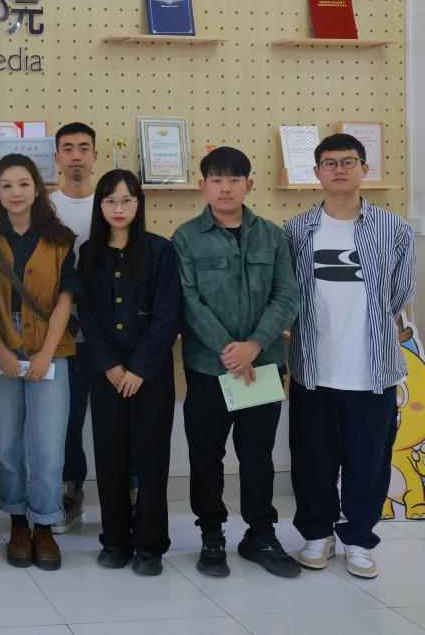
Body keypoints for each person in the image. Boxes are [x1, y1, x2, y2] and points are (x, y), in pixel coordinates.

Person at [285, 133, 416, 580]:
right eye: (329, 163)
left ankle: (359, 539)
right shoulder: (297, 230)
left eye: (348, 161)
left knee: (369, 462)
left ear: (364, 168)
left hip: (372, 370)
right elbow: (288, 294)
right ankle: (316, 534)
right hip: (313, 368)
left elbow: (400, 292)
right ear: (316, 172)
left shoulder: (394, 229)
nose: (339, 169)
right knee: (312, 459)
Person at [171, 146, 301, 579]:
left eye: (234, 179)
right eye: (216, 179)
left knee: (257, 453)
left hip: (263, 366)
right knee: (206, 454)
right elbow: (187, 300)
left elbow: (288, 296)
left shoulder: (273, 237)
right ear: (202, 185)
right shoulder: (186, 238)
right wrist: (230, 349)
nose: (225, 187)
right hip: (209, 368)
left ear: (249, 185)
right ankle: (211, 535)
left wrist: (254, 346)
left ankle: (260, 535)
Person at [0, 153, 80, 572]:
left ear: (37, 190)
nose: (16, 192)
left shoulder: (62, 239)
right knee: (6, 444)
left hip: (51, 347)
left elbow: (65, 300)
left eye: (23, 184)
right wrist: (2, 352)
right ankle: (18, 521)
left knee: (48, 446)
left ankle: (44, 524)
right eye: (7, 185)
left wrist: (46, 353)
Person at [76, 170, 181, 576]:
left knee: (151, 459)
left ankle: (150, 545)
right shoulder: (89, 252)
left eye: (126, 200)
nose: (118, 208)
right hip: (107, 372)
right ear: (99, 206)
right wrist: (109, 364)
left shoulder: (159, 250)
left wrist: (139, 369)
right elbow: (87, 314)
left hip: (150, 372)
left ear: (139, 204)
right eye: (110, 201)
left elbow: (168, 315)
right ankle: (115, 539)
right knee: (110, 458)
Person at [49, 122, 98, 533]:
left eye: (84, 147)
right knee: (67, 420)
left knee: (120, 418)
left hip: (111, 334)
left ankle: (131, 490)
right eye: (68, 148)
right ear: (57, 158)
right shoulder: (44, 208)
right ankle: (70, 491)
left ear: (95, 156)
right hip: (63, 335)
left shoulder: (112, 200)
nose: (76, 155)